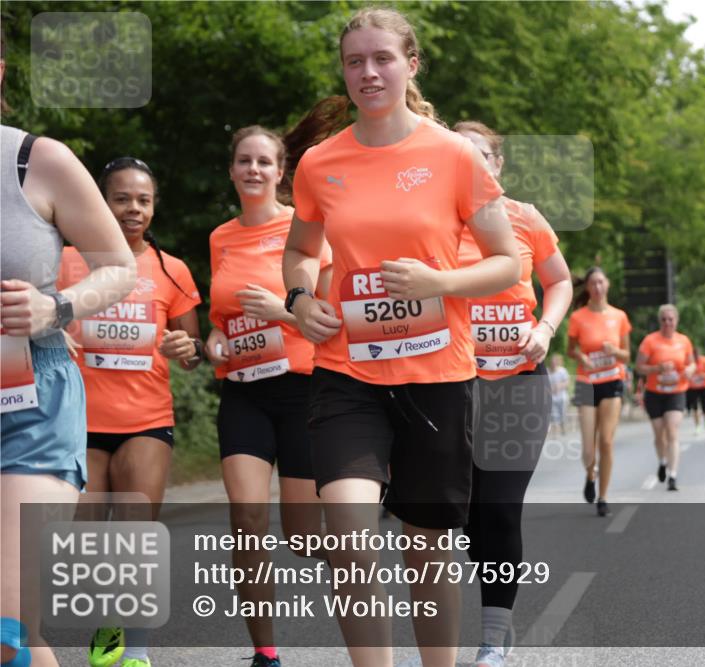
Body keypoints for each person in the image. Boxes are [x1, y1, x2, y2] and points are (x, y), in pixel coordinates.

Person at [281, 8, 521, 666]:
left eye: (382, 58)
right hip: (346, 371)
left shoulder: (454, 156)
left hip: (438, 375)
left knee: (428, 542)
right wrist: (301, 299)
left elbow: (509, 260)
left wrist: (438, 282)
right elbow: (302, 248)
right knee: (350, 532)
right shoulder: (319, 163)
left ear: (410, 64)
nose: (368, 72)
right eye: (354, 61)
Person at [1, 49, 137, 667]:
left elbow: (119, 268)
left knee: (8, 634)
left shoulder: (39, 160)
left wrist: (55, 308)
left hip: (26, 401)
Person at [57, 157, 202, 667]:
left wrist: (187, 347)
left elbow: (192, 346)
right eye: (122, 198)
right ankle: (109, 615)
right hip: (79, 421)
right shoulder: (67, 259)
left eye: (143, 200)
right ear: (102, 201)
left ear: (154, 207)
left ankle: (136, 651)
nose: (133, 208)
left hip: (146, 419)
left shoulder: (171, 269)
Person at [202, 126, 332, 667]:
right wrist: (214, 340)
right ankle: (265, 652)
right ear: (231, 170)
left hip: (303, 390)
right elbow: (222, 318)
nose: (253, 170)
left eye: (264, 162)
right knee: (247, 518)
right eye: (243, 161)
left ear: (281, 172)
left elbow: (328, 317)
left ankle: (359, 550)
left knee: (303, 538)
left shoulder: (304, 230)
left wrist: (282, 312)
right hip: (245, 393)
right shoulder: (220, 237)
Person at [454, 120, 573, 667]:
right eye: (461, 154)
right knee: (460, 518)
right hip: (448, 386)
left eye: (482, 155)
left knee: (500, 512)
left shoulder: (524, 218)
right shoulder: (433, 220)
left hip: (516, 384)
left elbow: (560, 281)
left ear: (497, 165)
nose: (472, 163)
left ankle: (492, 640)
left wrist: (545, 329)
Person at [566, 267, 631, 515]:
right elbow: (571, 349)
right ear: (588, 288)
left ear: (608, 284)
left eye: (601, 282)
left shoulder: (620, 316)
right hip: (586, 382)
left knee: (606, 440)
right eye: (593, 283)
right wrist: (582, 355)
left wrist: (615, 353)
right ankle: (590, 474)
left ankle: (603, 497)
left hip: (612, 379)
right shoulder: (578, 317)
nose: (597, 287)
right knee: (588, 448)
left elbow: (627, 355)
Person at [635, 304, 693, 492]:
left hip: (676, 392)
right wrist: (656, 369)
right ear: (660, 321)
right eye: (664, 320)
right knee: (659, 434)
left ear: (676, 321)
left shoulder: (684, 341)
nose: (667, 323)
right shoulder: (650, 341)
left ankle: (673, 476)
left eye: (671, 319)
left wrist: (688, 371)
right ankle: (662, 461)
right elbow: (639, 367)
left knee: (672, 430)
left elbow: (691, 364)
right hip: (654, 393)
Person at [685, 348, 705, 434]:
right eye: (694, 355)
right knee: (695, 407)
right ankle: (697, 426)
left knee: (704, 405)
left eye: (697, 355)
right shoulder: (688, 362)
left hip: (704, 386)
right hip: (692, 388)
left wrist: (703, 376)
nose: (695, 357)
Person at [548, 354, 570, 435]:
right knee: (554, 415)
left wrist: (560, 386)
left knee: (562, 414)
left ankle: (563, 428)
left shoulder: (562, 371)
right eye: (552, 362)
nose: (553, 363)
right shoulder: (547, 371)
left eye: (555, 362)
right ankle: (556, 432)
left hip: (562, 397)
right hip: (552, 398)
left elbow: (567, 382)